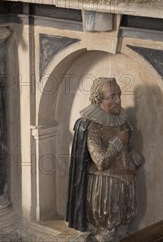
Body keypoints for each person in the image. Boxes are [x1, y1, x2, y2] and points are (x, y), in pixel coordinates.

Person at [66, 77, 142, 241]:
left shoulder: (121, 121)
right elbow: (100, 161)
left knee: (123, 232)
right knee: (106, 233)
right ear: (99, 100)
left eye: (119, 95)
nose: (118, 100)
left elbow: (125, 149)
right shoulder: (92, 126)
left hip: (127, 183)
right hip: (106, 187)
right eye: (112, 97)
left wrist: (132, 153)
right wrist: (119, 141)